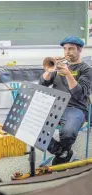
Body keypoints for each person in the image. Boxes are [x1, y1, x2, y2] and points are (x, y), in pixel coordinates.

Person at [39, 36, 92, 165]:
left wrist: (68, 74)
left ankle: (62, 155)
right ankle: (63, 153)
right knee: (31, 128)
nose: (67, 52)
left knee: (67, 133)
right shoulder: (58, 68)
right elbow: (42, 84)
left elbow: (79, 94)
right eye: (65, 49)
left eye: (71, 48)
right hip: (56, 106)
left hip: (76, 108)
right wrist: (49, 70)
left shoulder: (86, 69)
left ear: (80, 50)